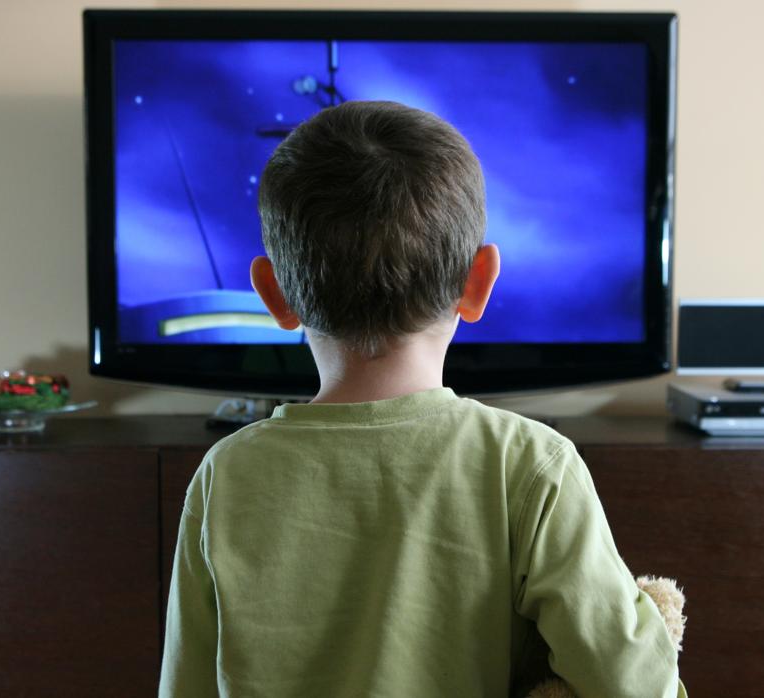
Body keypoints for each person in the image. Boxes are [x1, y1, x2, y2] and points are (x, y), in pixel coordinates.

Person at [159, 100, 686, 698]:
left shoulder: (225, 473)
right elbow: (633, 685)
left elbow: (186, 684)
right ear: (479, 282)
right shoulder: (530, 464)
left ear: (275, 296)